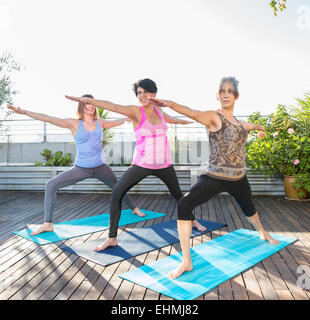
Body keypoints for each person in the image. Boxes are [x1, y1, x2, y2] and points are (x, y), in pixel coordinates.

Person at [148, 76, 280, 279]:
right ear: (218, 95)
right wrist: (170, 104)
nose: (226, 94)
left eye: (230, 91)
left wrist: (261, 128)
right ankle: (186, 261)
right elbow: (190, 112)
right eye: (222, 91)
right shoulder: (213, 117)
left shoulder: (238, 122)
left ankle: (262, 231)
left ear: (236, 96)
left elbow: (249, 125)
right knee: (184, 205)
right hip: (216, 177)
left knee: (249, 209)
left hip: (239, 178)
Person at [65, 78, 207, 251]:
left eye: (145, 92)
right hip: (142, 164)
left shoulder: (160, 111)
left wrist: (188, 122)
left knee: (178, 194)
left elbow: (173, 119)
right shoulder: (135, 111)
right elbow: (112, 105)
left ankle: (192, 220)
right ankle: (112, 238)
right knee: (117, 192)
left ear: (154, 93)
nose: (142, 96)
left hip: (164, 164)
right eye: (139, 93)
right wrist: (86, 101)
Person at [7, 94, 144, 236]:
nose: (91, 106)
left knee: (118, 187)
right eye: (87, 104)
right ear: (82, 106)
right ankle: (47, 223)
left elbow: (118, 120)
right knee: (50, 185)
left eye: (92, 103)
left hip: (101, 167)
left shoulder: (100, 122)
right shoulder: (73, 123)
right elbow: (48, 118)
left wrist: (128, 117)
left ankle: (134, 208)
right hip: (81, 168)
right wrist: (24, 112)